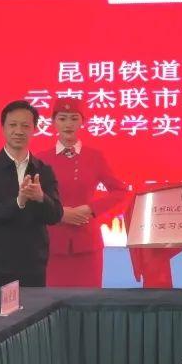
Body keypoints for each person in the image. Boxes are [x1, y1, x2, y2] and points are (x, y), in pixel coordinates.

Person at [0, 100, 62, 287]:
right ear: (3, 128)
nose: (19, 131)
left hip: (33, 266)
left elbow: (56, 215)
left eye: (25, 126)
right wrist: (18, 202)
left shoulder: (43, 170)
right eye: (13, 125)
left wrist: (41, 198)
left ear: (34, 129)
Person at [36, 98, 126, 287]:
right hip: (52, 244)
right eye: (62, 119)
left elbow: (119, 191)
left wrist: (91, 209)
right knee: (51, 298)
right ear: (53, 122)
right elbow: (32, 198)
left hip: (87, 244)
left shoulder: (94, 157)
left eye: (74, 118)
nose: (68, 124)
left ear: (82, 122)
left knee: (88, 298)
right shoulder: (41, 159)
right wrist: (58, 213)